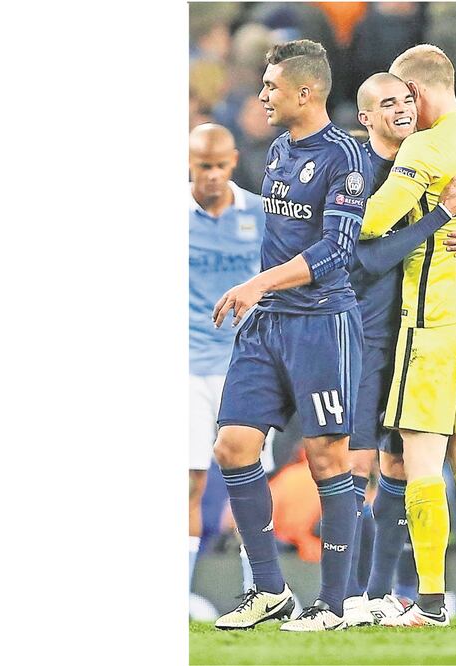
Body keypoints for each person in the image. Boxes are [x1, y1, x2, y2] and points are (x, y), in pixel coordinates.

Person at [210, 39, 372, 632]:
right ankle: (270, 591)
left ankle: (333, 602)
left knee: (328, 459)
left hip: (322, 323)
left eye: (272, 86)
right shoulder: (279, 149)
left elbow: (337, 250)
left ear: (306, 92)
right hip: (268, 324)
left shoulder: (345, 158)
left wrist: (258, 282)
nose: (262, 96)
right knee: (233, 445)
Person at [342, 72, 456, 626]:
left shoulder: (423, 147)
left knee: (420, 463)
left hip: (432, 320)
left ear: (415, 88)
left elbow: (363, 225)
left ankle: (428, 602)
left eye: (402, 94)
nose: (402, 105)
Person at [187, 123, 266, 616]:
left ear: (233, 162)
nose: (213, 176)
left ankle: (259, 592)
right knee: (188, 481)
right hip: (188, 368)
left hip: (248, 367)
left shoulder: (259, 213)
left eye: (220, 167)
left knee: (248, 482)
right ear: (188, 164)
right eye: (203, 167)